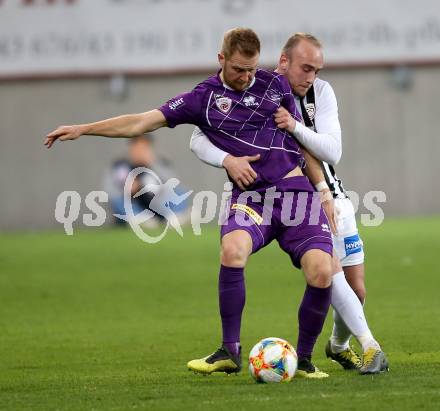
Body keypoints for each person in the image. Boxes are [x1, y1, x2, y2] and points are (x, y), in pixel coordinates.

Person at [45, 28, 336, 379]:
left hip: (297, 195)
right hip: (253, 198)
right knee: (232, 250)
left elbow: (301, 140)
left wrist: (323, 189)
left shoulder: (275, 86)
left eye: (252, 69)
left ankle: (303, 360)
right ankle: (229, 350)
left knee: (321, 271)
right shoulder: (202, 99)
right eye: (239, 69)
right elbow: (140, 121)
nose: (247, 78)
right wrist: (83, 128)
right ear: (221, 59)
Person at [190, 33, 389, 374]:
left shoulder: (321, 93)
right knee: (328, 270)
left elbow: (330, 151)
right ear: (284, 63)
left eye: (316, 69)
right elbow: (200, 135)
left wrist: (294, 126)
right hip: (291, 196)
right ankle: (370, 347)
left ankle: (339, 345)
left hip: (333, 196)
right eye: (305, 68)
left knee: (357, 289)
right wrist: (228, 159)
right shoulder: (259, 89)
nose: (311, 76)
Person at [104, 134, 189, 227]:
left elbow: (171, 182)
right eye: (137, 147)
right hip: (133, 204)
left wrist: (151, 165)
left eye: (144, 147)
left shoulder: (159, 164)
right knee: (118, 199)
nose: (140, 151)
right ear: (131, 148)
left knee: (178, 191)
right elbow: (113, 189)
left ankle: (176, 217)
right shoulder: (121, 165)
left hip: (155, 203)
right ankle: (139, 219)